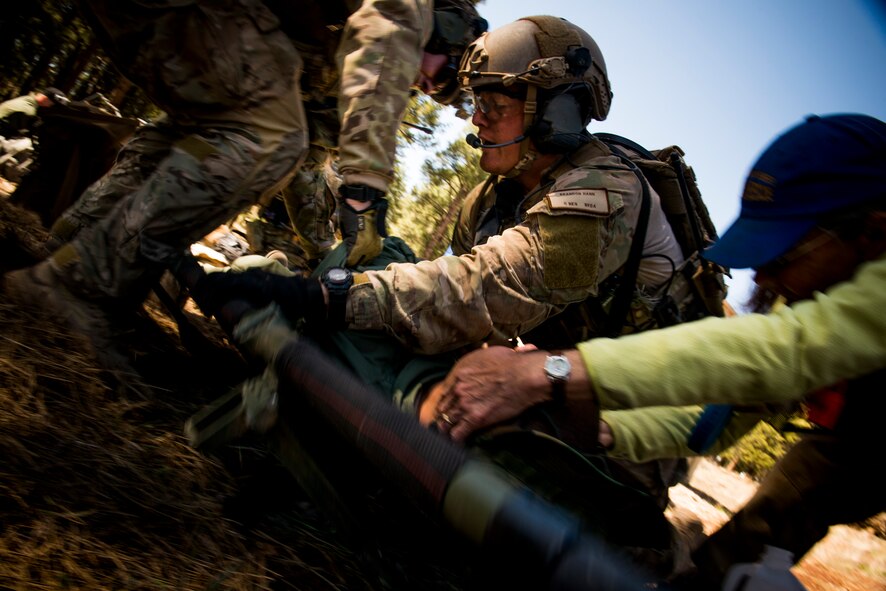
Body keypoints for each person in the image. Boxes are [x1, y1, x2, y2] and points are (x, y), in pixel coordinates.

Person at [194, 14, 721, 523]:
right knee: (380, 265)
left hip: (616, 438)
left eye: (495, 103)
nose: (477, 117)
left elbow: (484, 290)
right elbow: (451, 314)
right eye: (476, 102)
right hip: (545, 383)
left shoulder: (608, 195)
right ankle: (322, 437)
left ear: (555, 112)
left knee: (369, 314)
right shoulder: (488, 203)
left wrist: (329, 296)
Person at [429, 113, 886, 589]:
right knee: (759, 530)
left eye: (781, 258)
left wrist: (549, 371)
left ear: (873, 233)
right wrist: (607, 431)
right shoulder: (819, 301)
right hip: (855, 442)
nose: (765, 279)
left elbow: (782, 351)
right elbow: (714, 422)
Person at [2, 0, 485, 370]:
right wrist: (365, 187)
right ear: (447, 28)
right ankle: (76, 288)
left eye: (431, 92)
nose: (420, 83)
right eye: (436, 73)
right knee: (271, 136)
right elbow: (382, 51)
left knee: (199, 135)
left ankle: (69, 245)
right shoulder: (410, 10)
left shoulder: (318, 50)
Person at [0, 87, 66, 139]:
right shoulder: (28, 111)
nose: (50, 106)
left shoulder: (25, 99)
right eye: (52, 104)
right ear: (44, 98)